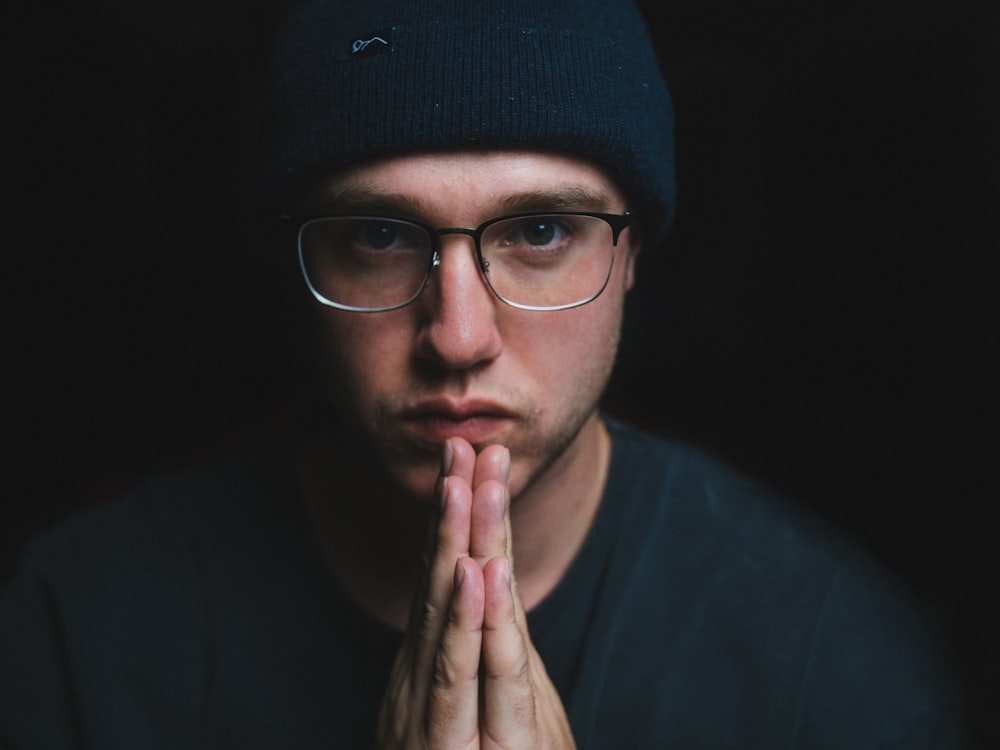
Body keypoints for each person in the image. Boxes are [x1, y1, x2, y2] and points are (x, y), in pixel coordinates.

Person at [0, 0, 974, 748]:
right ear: (299, 266)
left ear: (632, 257)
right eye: (378, 235)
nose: (458, 335)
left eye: (541, 231)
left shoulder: (841, 665)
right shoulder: (71, 636)